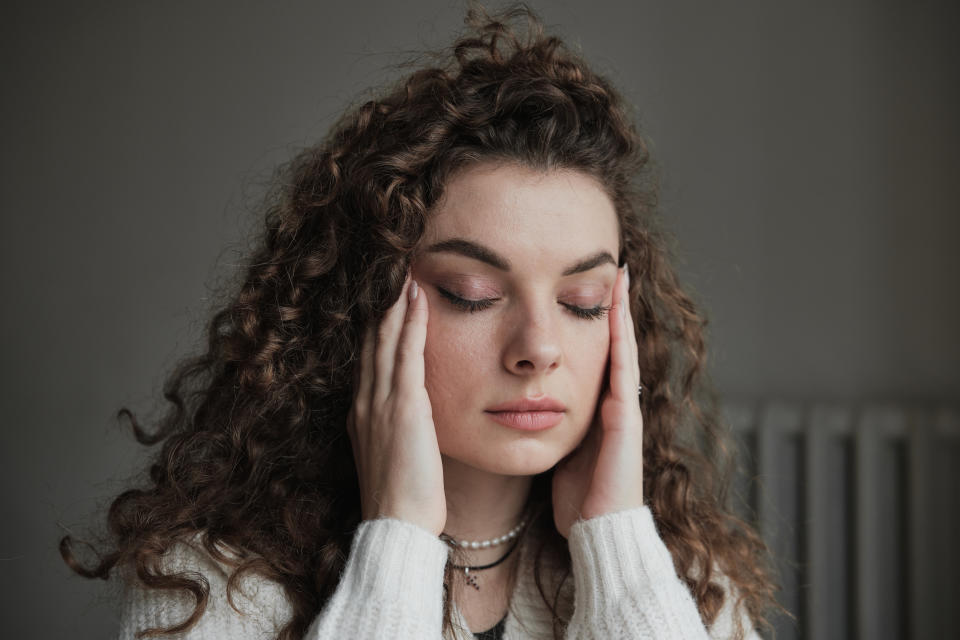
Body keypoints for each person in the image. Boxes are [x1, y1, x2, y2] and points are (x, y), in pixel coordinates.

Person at [60, 5, 789, 639]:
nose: (539, 348)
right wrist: (398, 545)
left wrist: (620, 549)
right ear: (361, 309)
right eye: (473, 292)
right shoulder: (209, 585)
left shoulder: (679, 582)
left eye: (582, 303)